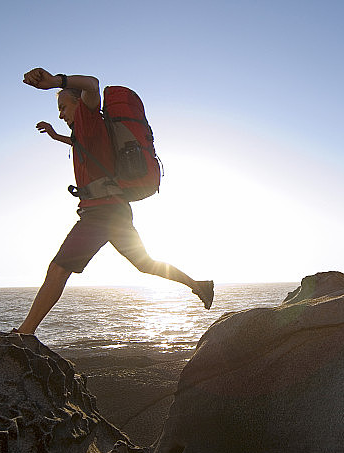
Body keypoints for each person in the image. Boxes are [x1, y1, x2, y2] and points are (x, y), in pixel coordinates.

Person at [14, 67, 214, 335]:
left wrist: (55, 82)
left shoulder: (88, 116)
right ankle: (199, 285)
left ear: (79, 103)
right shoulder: (87, 131)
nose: (60, 114)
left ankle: (25, 332)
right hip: (115, 210)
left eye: (63, 107)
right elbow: (80, 145)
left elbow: (92, 84)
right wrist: (55, 136)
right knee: (145, 264)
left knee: (59, 268)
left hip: (102, 212)